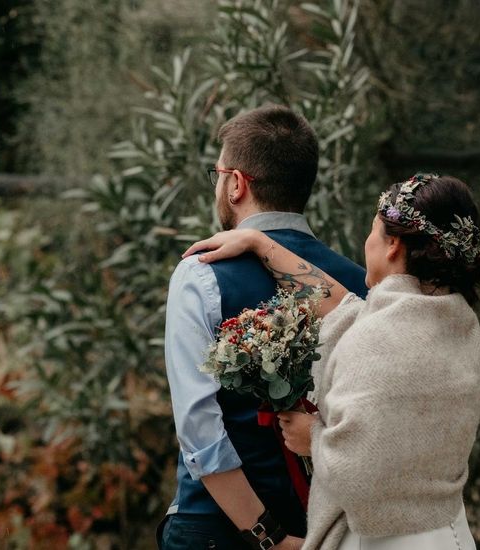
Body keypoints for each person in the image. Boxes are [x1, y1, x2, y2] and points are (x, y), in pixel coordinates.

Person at [182, 173, 480, 549]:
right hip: (448, 533)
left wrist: (312, 437)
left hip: (384, 539)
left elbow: (361, 471)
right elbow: (344, 310)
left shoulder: (383, 337)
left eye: (374, 232)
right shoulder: (459, 328)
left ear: (392, 244)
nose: (367, 242)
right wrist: (260, 242)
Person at [159, 105, 369, 550]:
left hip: (218, 528)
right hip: (327, 526)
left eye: (216, 173)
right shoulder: (354, 286)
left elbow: (199, 428)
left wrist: (267, 536)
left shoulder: (201, 274)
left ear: (236, 184)